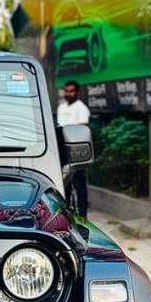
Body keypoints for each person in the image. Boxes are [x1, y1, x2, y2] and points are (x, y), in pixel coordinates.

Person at [57, 80, 90, 218]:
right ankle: (67, 215)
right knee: (65, 186)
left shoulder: (81, 108)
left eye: (71, 91)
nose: (68, 93)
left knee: (79, 185)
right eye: (67, 90)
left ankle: (83, 217)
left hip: (75, 151)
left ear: (77, 92)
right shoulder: (61, 107)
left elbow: (82, 130)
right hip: (62, 150)